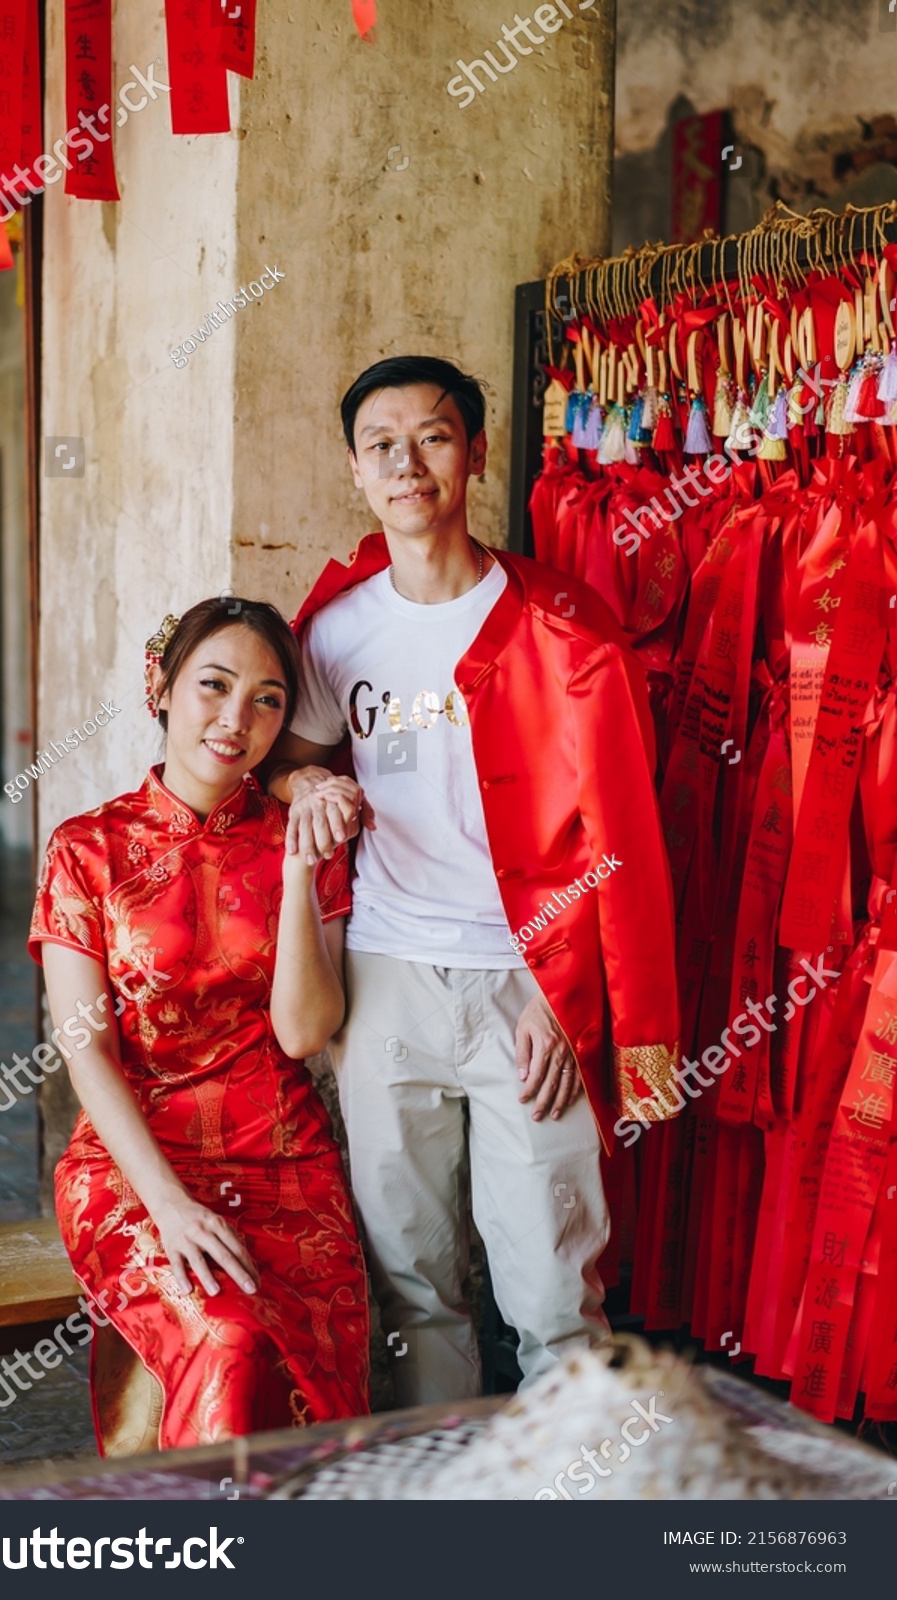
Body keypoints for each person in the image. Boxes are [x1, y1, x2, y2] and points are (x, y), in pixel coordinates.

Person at [265, 354, 681, 1407]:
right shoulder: (335, 631)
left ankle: (570, 1516)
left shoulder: (566, 630)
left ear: (477, 453)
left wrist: (569, 998)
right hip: (384, 982)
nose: (407, 463)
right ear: (357, 471)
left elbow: (621, 841)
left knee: (550, 1292)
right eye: (381, 444)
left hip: (524, 986)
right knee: (411, 1286)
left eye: (433, 436)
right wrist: (306, 782)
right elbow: (290, 755)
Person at [30, 597, 370, 1452]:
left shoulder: (305, 835)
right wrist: (169, 1206)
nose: (237, 719)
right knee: (224, 1338)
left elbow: (304, 1035)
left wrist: (297, 870)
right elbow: (88, 1054)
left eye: (267, 699)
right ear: (160, 685)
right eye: (213, 686)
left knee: (315, 1362)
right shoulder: (87, 849)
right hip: (135, 1160)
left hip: (286, 1157)